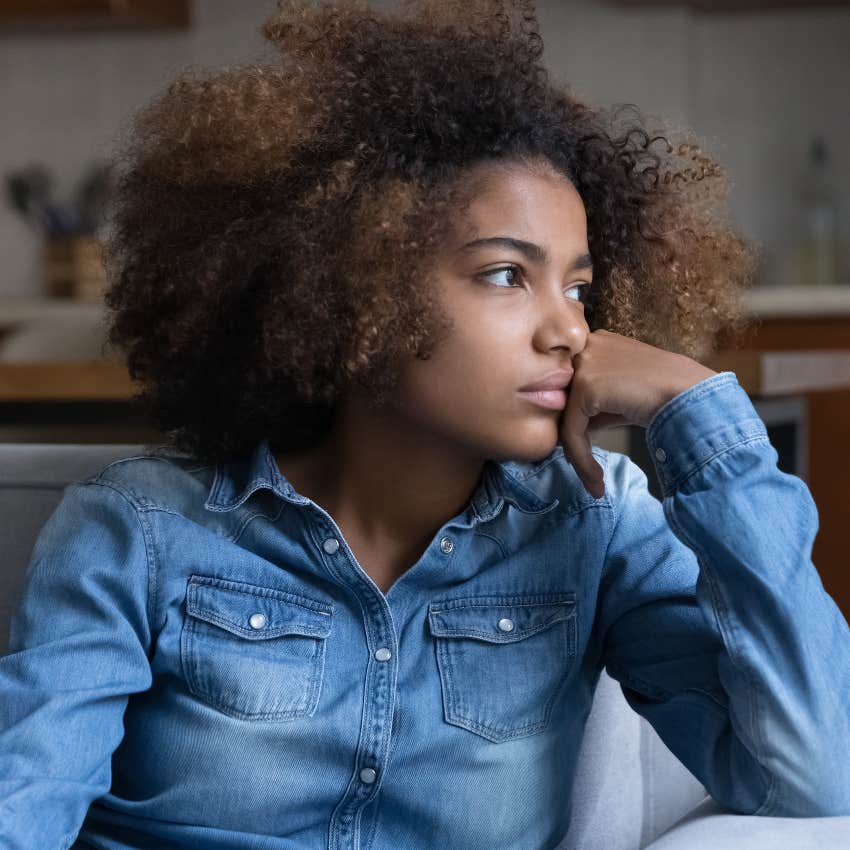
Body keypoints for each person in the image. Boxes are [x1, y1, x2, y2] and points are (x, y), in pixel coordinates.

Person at [2, 0, 848, 847]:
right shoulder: (140, 531)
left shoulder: (596, 523)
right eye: (506, 274)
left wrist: (695, 412)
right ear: (353, 283)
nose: (569, 330)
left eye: (579, 288)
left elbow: (814, 773)